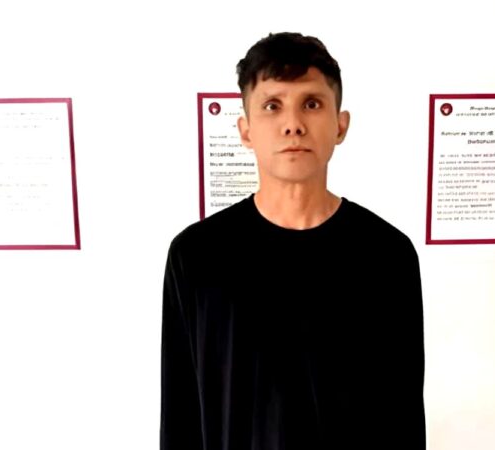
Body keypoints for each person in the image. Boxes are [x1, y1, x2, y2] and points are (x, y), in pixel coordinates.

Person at [161, 32, 425, 450]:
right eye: (272, 105)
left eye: (312, 104)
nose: (293, 124)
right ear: (246, 130)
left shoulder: (386, 254)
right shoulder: (197, 256)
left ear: (341, 125)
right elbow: (180, 414)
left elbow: (404, 415)